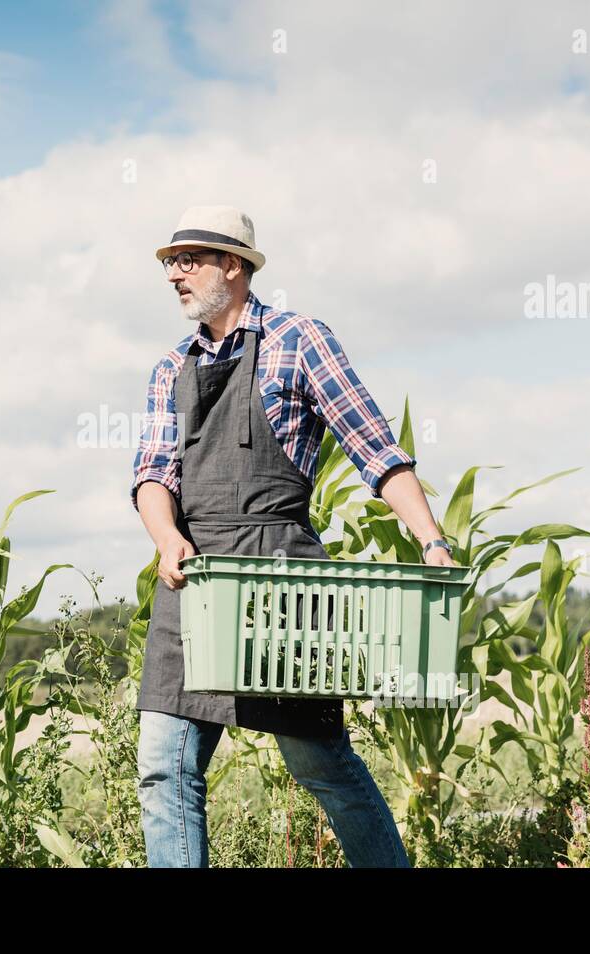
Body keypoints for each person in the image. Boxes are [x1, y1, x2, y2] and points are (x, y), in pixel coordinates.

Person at [130, 204, 455, 867]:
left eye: (189, 259)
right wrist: (165, 535)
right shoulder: (170, 368)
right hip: (193, 580)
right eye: (170, 262)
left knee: (321, 764)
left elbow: (375, 448)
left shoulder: (300, 339)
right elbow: (152, 473)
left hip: (283, 583)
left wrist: (431, 540)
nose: (175, 274)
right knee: (164, 766)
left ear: (234, 265)